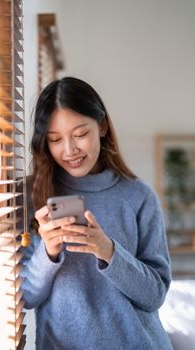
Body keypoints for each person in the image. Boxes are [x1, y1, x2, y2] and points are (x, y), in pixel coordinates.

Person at [20, 77, 173, 350]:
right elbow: (25, 296)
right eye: (55, 139)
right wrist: (49, 252)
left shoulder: (139, 197)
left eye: (80, 134)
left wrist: (109, 251)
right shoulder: (33, 196)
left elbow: (155, 296)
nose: (70, 150)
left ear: (101, 126)